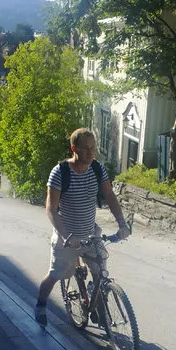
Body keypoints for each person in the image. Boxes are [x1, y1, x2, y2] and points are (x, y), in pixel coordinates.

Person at [34, 127, 130, 327]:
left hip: (90, 233)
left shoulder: (97, 169)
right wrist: (67, 236)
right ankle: (40, 305)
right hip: (67, 235)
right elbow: (51, 209)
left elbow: (110, 196)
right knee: (54, 275)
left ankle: (96, 305)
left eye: (93, 148)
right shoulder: (60, 172)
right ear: (73, 148)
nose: (90, 153)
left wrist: (122, 223)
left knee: (100, 271)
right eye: (85, 149)